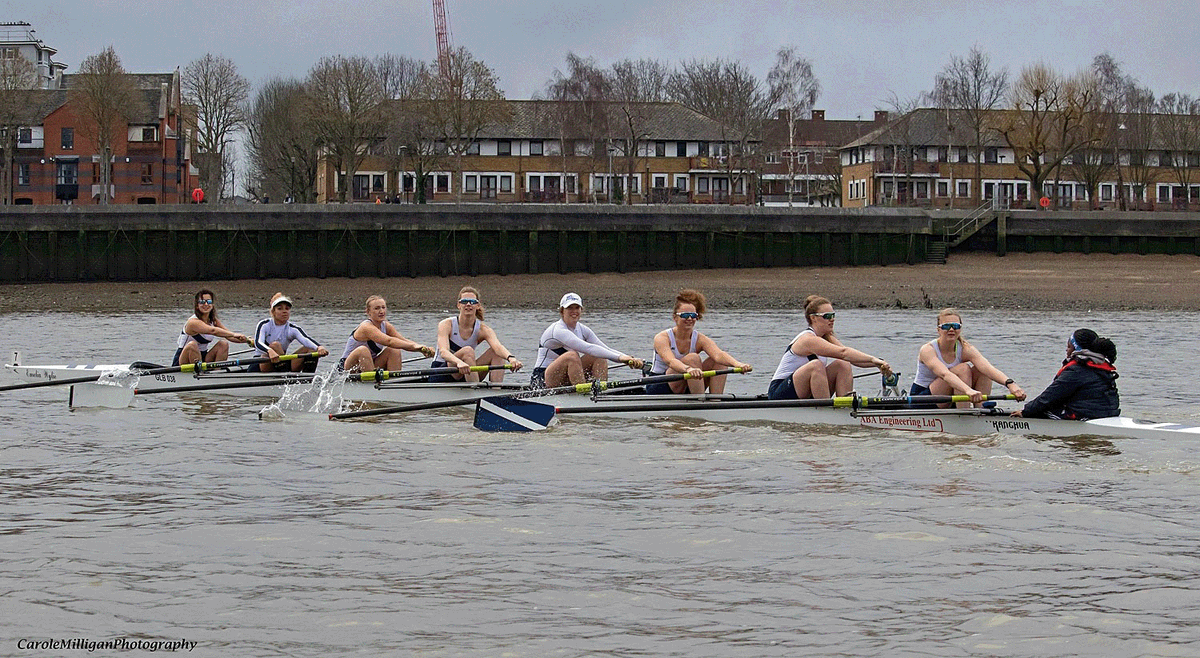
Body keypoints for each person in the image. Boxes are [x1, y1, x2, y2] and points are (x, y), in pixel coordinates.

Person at [768, 295, 892, 399]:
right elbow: (843, 352)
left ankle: (845, 410)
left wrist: (878, 364)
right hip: (779, 393)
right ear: (813, 318)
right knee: (816, 366)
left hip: (803, 391)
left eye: (833, 315)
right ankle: (826, 414)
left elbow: (850, 357)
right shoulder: (807, 339)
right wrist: (872, 359)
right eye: (827, 316)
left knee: (843, 364)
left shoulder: (826, 337)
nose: (832, 320)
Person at [911, 308, 1026, 408]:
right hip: (922, 398)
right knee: (963, 369)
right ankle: (965, 415)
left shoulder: (966, 348)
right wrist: (968, 390)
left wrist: (1011, 384)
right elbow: (945, 374)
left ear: (960, 329)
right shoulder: (927, 350)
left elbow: (988, 368)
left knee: (982, 371)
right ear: (938, 330)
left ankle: (981, 409)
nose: (951, 329)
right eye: (946, 326)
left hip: (952, 396)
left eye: (955, 326)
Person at [646, 289, 752, 394]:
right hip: (659, 385)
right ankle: (699, 401)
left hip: (688, 381)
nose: (689, 319)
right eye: (685, 315)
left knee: (719, 362)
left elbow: (718, 355)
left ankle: (716, 402)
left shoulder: (700, 339)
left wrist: (738, 364)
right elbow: (671, 361)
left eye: (693, 316)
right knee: (693, 358)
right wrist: (688, 369)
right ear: (675, 317)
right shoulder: (662, 338)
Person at [531, 292, 644, 388]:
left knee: (600, 355)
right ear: (562, 311)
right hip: (542, 379)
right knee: (572, 356)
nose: (574, 311)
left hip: (565, 376)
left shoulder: (583, 329)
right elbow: (588, 348)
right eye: (570, 308)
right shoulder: (557, 330)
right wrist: (621, 358)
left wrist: (629, 358)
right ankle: (583, 395)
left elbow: (604, 348)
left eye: (577, 307)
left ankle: (599, 391)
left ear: (581, 310)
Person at [1013, 329, 1120, 420]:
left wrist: (1026, 412)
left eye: (1069, 346)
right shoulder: (1100, 365)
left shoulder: (1077, 369)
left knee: (1040, 412)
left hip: (1087, 416)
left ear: (1076, 349)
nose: (1066, 350)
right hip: (1110, 415)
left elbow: (1050, 396)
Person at [429, 286, 523, 383]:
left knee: (496, 353)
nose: (468, 304)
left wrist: (512, 359)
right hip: (441, 373)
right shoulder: (446, 324)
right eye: (464, 301)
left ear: (477, 306)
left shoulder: (484, 329)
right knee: (468, 351)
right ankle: (474, 392)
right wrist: (459, 362)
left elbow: (498, 347)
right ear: (458, 305)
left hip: (466, 372)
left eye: (472, 302)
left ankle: (496, 392)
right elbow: (443, 352)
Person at [338, 295, 435, 372]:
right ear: (368, 312)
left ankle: (393, 383)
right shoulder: (366, 327)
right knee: (363, 350)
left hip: (369, 364)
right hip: (348, 367)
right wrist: (416, 347)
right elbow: (389, 341)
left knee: (394, 350)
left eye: (383, 307)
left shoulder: (386, 326)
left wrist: (422, 349)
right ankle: (370, 385)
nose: (381, 311)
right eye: (377, 308)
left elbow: (403, 341)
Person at [247, 293, 329, 373]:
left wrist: (319, 348)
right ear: (273, 312)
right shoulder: (264, 324)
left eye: (287, 308)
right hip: (261, 362)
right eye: (280, 309)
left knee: (311, 349)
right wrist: (269, 351)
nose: (284, 311)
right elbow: (258, 343)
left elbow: (306, 339)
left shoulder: (292, 328)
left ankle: (308, 380)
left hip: (281, 363)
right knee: (275, 345)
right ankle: (285, 377)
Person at [172, 289, 250, 367]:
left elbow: (229, 337)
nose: (206, 304)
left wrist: (249, 341)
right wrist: (234, 334)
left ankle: (217, 373)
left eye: (209, 302)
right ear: (197, 306)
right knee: (192, 345)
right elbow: (213, 330)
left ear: (212, 305)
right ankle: (199, 374)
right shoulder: (192, 322)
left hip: (203, 357)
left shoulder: (213, 321)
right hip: (183, 360)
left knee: (223, 344)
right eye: (202, 302)